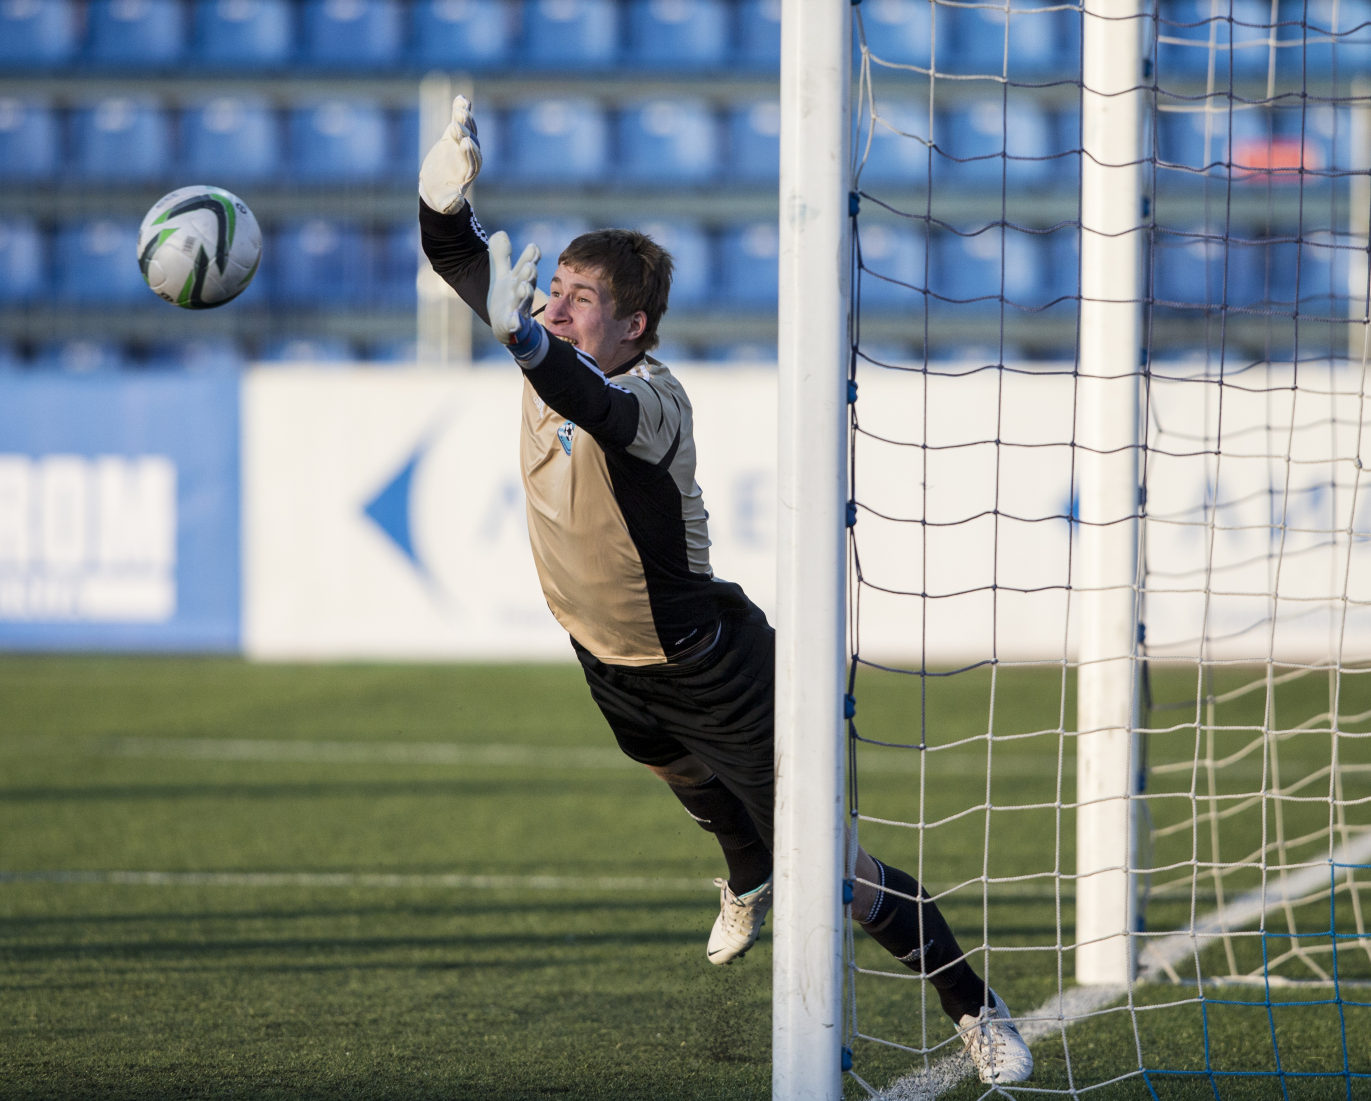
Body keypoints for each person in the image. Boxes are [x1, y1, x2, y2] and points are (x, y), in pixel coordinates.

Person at [416, 96, 1033, 1086]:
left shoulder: (652, 400)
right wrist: (440, 205)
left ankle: (974, 1006)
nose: (555, 305)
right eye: (553, 290)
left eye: (581, 299)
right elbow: (462, 260)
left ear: (634, 326)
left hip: (717, 668)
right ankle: (744, 878)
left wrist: (529, 346)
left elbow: (590, 406)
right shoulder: (539, 340)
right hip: (606, 660)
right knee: (689, 787)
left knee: (835, 876)